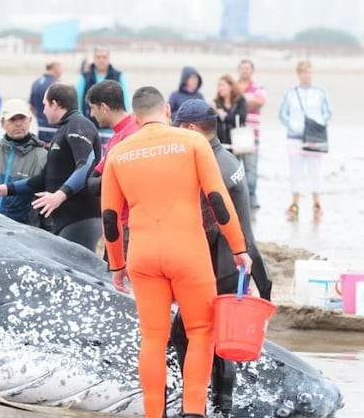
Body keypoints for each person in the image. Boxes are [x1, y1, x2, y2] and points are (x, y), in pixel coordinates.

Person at [101, 86, 252, 418]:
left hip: (141, 254)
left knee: (153, 338)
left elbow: (110, 217)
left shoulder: (118, 153)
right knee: (201, 331)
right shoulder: (193, 142)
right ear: (167, 110)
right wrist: (238, 248)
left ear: (136, 116)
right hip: (187, 250)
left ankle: (154, 413)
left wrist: (116, 264)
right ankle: (193, 411)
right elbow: (218, 199)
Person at [171, 98, 273, 418]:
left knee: (185, 334)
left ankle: (198, 404)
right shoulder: (227, 158)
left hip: (218, 264)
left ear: (191, 129)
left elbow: (211, 225)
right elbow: (246, 232)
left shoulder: (208, 164)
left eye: (178, 128)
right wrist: (264, 286)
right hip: (236, 263)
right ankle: (221, 406)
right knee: (218, 337)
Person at [0, 83, 102, 250]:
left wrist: (60, 195)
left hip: (81, 218)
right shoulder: (63, 130)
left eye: (45, 105)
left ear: (55, 104)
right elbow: (44, 179)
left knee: (76, 273)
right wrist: (5, 189)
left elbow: (86, 166)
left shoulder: (79, 125)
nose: (43, 111)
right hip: (66, 221)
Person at [84, 80, 140, 259]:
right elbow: (93, 181)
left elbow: (97, 183)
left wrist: (107, 179)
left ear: (104, 107)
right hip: (117, 224)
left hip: (128, 228)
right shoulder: (118, 136)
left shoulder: (130, 137)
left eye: (93, 108)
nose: (92, 114)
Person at [278, 60, 332, 221]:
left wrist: (318, 124)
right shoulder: (291, 93)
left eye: (309, 72)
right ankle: (295, 204)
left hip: (314, 138)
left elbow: (327, 113)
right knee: (296, 171)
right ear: (299, 74)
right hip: (295, 138)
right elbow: (283, 114)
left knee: (315, 171)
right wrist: (294, 127)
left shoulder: (320, 92)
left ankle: (317, 204)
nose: (307, 75)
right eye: (304, 72)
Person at [0, 98, 47, 224]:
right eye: (12, 119)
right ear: (2, 123)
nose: (18, 124)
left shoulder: (43, 157)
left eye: (22, 119)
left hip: (23, 232)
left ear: (30, 121)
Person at [236, 59, 266, 209]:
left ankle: (251, 197)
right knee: (234, 167)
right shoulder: (233, 86)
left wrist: (239, 102)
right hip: (233, 131)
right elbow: (226, 101)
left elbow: (260, 102)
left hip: (251, 132)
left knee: (251, 168)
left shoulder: (258, 86)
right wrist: (246, 101)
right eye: (242, 68)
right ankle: (236, 199)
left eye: (247, 68)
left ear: (252, 70)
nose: (245, 71)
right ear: (238, 70)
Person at [76, 47, 130, 128]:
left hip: (112, 126)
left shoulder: (118, 76)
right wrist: (80, 121)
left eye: (104, 57)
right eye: (98, 57)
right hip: (89, 124)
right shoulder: (85, 77)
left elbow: (125, 100)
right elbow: (78, 99)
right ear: (94, 58)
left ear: (109, 58)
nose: (101, 60)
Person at [29, 61, 62, 143]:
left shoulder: (36, 83)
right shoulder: (57, 84)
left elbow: (31, 107)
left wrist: (40, 118)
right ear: (55, 68)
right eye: (61, 68)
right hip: (54, 127)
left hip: (41, 126)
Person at [212, 74, 247, 153]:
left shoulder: (240, 100)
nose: (220, 88)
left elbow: (241, 118)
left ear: (231, 86)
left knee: (237, 164)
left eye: (222, 85)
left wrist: (223, 115)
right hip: (221, 143)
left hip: (238, 140)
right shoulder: (216, 102)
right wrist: (213, 111)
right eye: (218, 86)